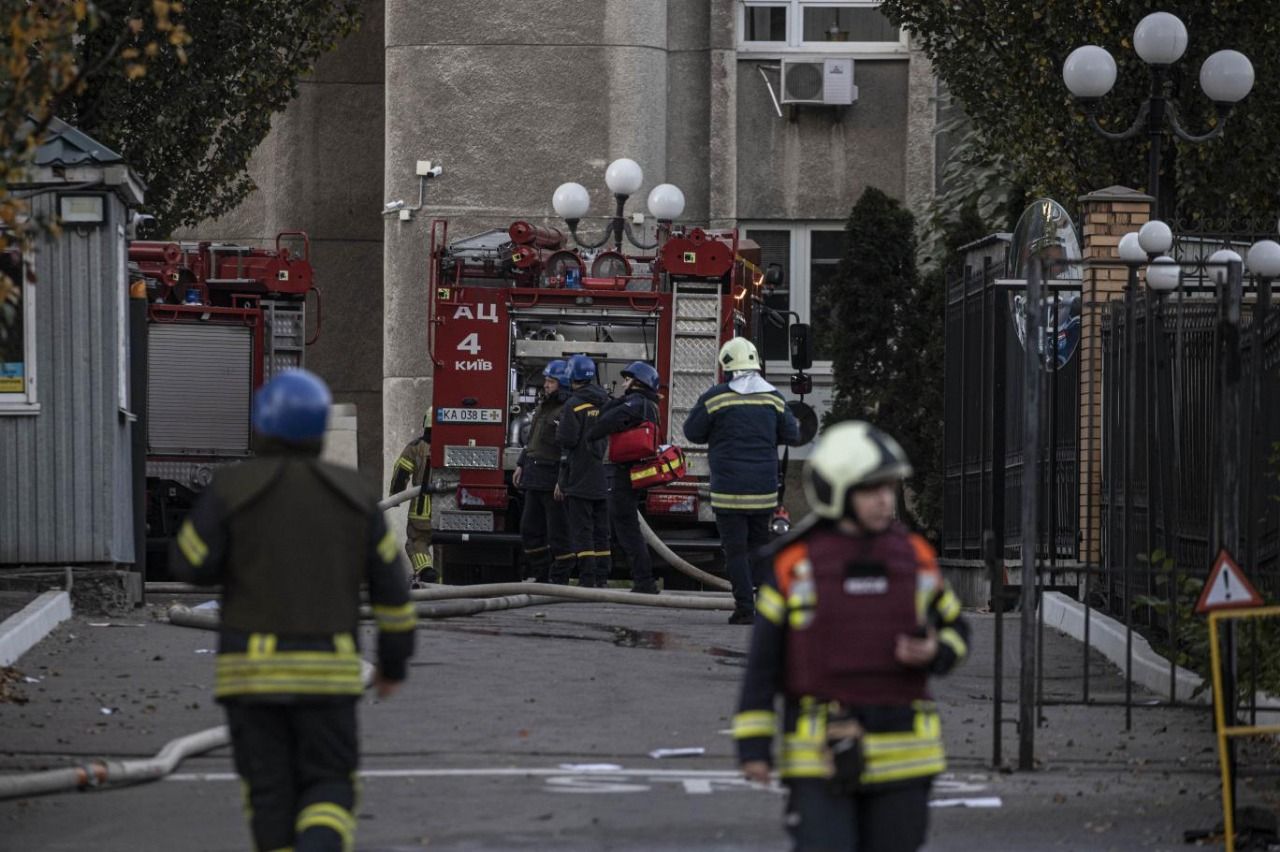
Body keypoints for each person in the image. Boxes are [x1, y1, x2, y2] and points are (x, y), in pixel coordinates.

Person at [169, 369, 416, 852]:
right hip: (327, 672)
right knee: (329, 785)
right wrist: (393, 664)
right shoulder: (354, 495)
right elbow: (393, 592)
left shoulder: (231, 488)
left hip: (251, 676)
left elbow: (189, 563)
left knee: (269, 794)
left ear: (260, 426)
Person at [733, 421, 969, 852]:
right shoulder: (796, 567)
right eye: (871, 489)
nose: (885, 500)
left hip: (906, 755)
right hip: (820, 756)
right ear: (837, 492)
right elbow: (763, 665)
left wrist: (937, 650)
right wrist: (753, 746)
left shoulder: (913, 558)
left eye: (889, 487)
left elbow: (957, 631)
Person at [683, 337, 799, 623]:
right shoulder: (773, 397)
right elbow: (793, 434)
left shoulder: (715, 397)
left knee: (734, 551)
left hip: (728, 492)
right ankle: (765, 606)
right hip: (763, 492)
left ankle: (745, 608)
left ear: (726, 366)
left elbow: (692, 432)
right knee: (759, 547)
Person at [588, 360, 662, 594]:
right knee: (625, 524)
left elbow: (602, 423)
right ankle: (643, 580)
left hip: (624, 473)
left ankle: (644, 581)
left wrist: (615, 402)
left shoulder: (635, 403)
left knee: (626, 526)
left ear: (637, 382)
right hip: (633, 472)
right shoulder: (647, 404)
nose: (623, 383)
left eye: (627, 379)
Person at [554, 353, 611, 587]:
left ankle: (587, 579)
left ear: (571, 376)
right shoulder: (605, 400)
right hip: (603, 477)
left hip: (579, 476)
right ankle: (602, 577)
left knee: (583, 530)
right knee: (602, 530)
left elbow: (567, 441)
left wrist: (562, 480)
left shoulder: (573, 405)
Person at [514, 360, 572, 583]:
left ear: (563, 383)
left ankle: (559, 580)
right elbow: (532, 441)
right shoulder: (543, 407)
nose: (546, 385)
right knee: (529, 530)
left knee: (558, 534)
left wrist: (562, 480)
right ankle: (542, 574)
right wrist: (521, 463)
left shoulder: (566, 410)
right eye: (546, 380)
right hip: (534, 478)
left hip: (552, 481)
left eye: (551, 381)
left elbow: (568, 448)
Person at [389, 406, 436, 584]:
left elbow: (401, 472)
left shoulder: (415, 447)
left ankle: (425, 570)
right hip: (451, 510)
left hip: (422, 510)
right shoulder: (454, 446)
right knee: (444, 547)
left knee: (416, 542)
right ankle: (443, 581)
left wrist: (395, 496)